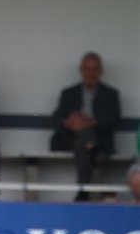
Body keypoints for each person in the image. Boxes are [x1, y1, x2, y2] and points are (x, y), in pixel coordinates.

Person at [50, 52, 122, 202]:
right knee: (85, 137)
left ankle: (82, 192)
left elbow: (113, 120)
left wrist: (92, 122)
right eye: (87, 69)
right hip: (71, 138)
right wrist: (69, 122)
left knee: (84, 139)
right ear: (81, 70)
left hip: (98, 137)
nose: (90, 73)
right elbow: (56, 118)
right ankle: (90, 143)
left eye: (95, 69)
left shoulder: (111, 94)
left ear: (101, 71)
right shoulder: (69, 93)